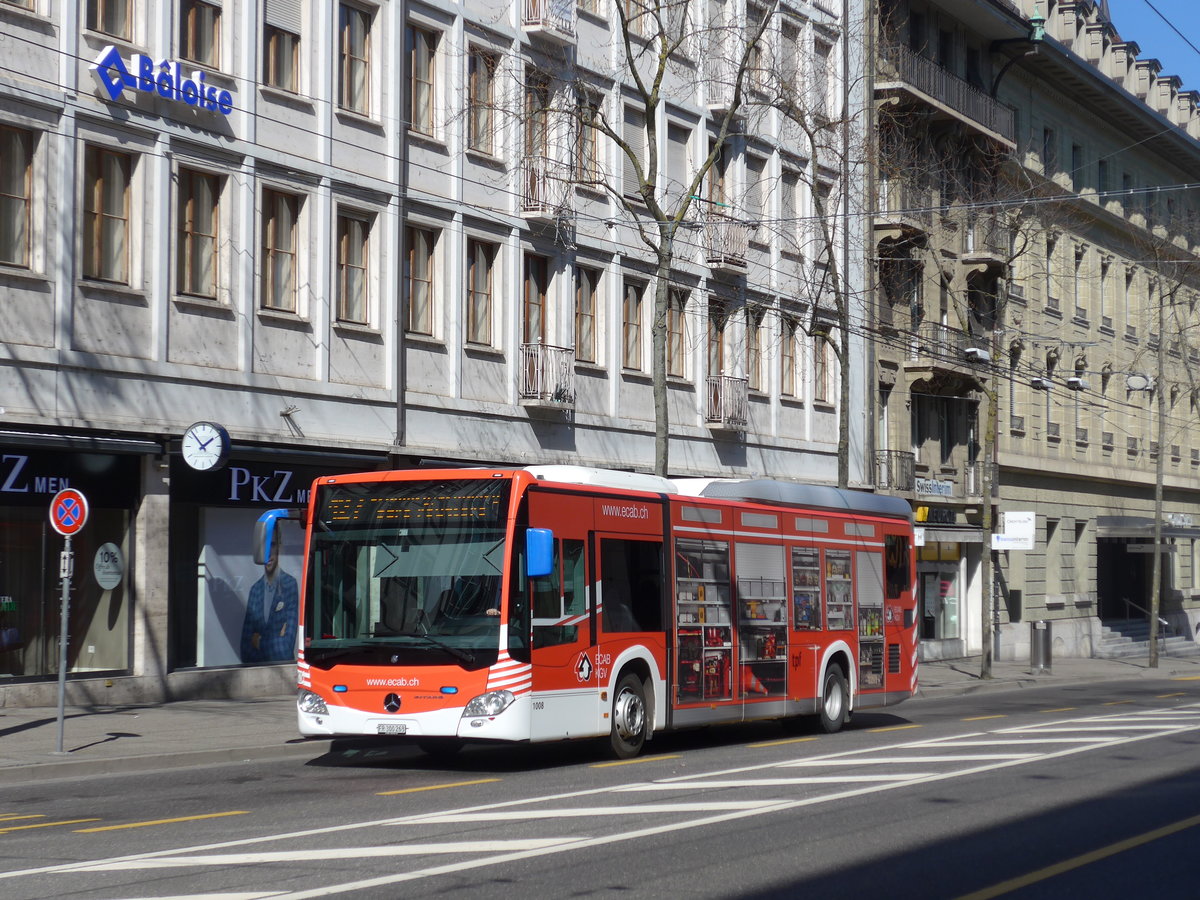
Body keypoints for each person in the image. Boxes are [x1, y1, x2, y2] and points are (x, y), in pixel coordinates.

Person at [240, 531, 299, 663]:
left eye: (271, 545)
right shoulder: (255, 590)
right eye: (263, 547)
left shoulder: (290, 584)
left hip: (282, 670)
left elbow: (286, 648)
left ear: (279, 548)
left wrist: (259, 641)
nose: (267, 553)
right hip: (257, 670)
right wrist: (276, 640)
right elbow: (245, 649)